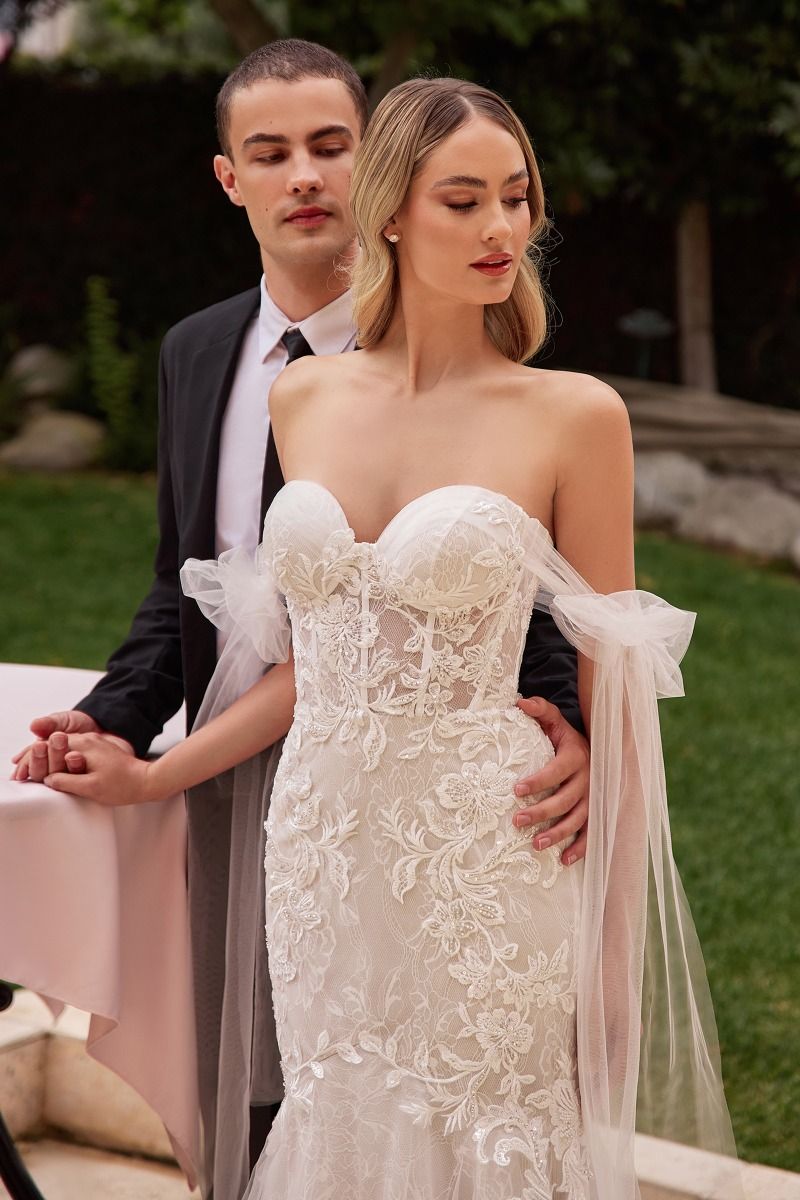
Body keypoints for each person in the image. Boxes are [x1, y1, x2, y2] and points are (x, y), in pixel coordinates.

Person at [35, 76, 740, 1200]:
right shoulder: (305, 399)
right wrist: (156, 774)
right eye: (464, 200)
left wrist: (612, 957)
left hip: (484, 856)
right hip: (321, 852)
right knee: (335, 1119)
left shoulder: (574, 416)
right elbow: (314, 664)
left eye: (516, 196)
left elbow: (611, 692)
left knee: (483, 1138)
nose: (502, 227)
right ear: (393, 214)